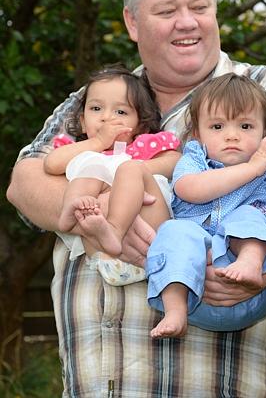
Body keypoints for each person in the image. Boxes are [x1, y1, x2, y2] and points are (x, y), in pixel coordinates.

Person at [7, 0, 266, 397]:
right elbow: (23, 182)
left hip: (231, 382)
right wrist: (105, 207)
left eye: (200, 7)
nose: (187, 22)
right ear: (132, 23)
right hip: (100, 383)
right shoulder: (99, 101)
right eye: (167, 10)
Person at [149, 66, 266, 338]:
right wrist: (249, 170)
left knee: (250, 215)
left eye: (245, 126)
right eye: (217, 126)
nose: (231, 135)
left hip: (253, 289)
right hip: (194, 284)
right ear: (196, 134)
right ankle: (175, 312)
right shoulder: (194, 159)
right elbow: (189, 189)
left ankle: (249, 262)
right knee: (174, 231)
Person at [43, 65, 180, 286]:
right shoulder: (83, 150)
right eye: (96, 109)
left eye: (121, 112)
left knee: (125, 169)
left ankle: (114, 230)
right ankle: (71, 212)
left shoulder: (143, 146)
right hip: (101, 257)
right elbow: (51, 163)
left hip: (150, 239)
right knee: (90, 164)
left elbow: (174, 161)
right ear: (82, 121)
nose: (106, 118)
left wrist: (127, 170)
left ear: (140, 126)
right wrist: (97, 144)